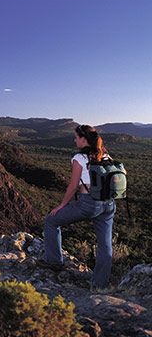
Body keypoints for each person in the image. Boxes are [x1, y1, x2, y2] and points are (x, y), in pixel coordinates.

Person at [39, 124, 116, 290]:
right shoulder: (105, 155)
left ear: (83, 139)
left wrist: (61, 206)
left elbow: (73, 187)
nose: (74, 140)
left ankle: (53, 261)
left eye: (76, 137)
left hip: (89, 203)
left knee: (51, 221)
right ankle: (100, 284)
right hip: (109, 204)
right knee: (105, 244)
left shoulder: (79, 158)